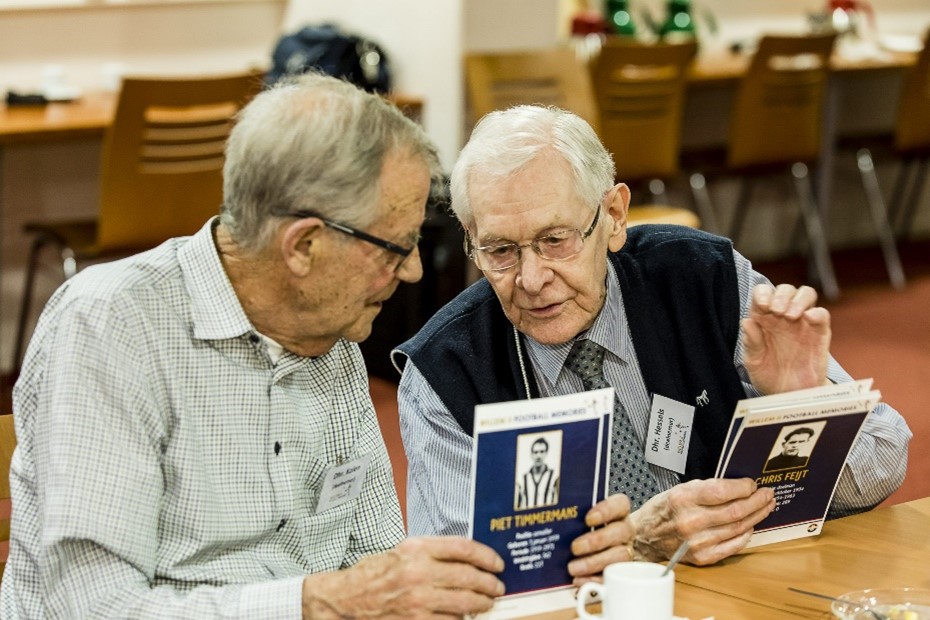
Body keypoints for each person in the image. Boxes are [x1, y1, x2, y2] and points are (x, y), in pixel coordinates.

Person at [1, 73, 505, 619]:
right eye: (397, 247)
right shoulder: (113, 328)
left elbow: (374, 554)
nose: (409, 271)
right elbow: (91, 607)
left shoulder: (331, 332)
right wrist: (315, 603)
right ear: (303, 246)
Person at [394, 105, 911, 573]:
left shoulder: (704, 278)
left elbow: (884, 462)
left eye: (556, 240)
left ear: (614, 216)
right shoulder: (445, 371)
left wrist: (801, 404)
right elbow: (458, 583)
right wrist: (635, 541)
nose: (531, 279)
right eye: (501, 250)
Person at [516, 436, 560, 509]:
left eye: (542, 452)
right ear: (531, 454)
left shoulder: (554, 476)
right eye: (535, 452)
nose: (538, 456)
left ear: (546, 453)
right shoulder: (522, 479)